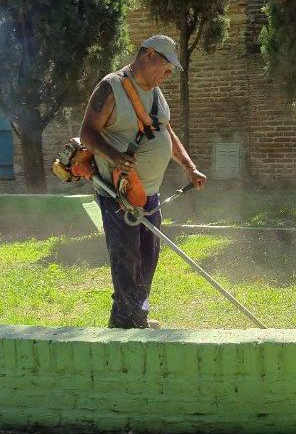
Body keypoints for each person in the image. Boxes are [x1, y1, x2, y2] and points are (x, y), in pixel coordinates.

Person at [80, 34, 207, 329]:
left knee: (148, 257)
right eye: (166, 67)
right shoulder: (111, 87)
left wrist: (190, 167)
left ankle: (136, 316)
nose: (168, 74)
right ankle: (126, 324)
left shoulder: (155, 92)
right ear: (149, 55)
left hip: (148, 192)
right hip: (118, 193)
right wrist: (114, 156)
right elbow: (88, 133)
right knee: (127, 261)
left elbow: (165, 131)